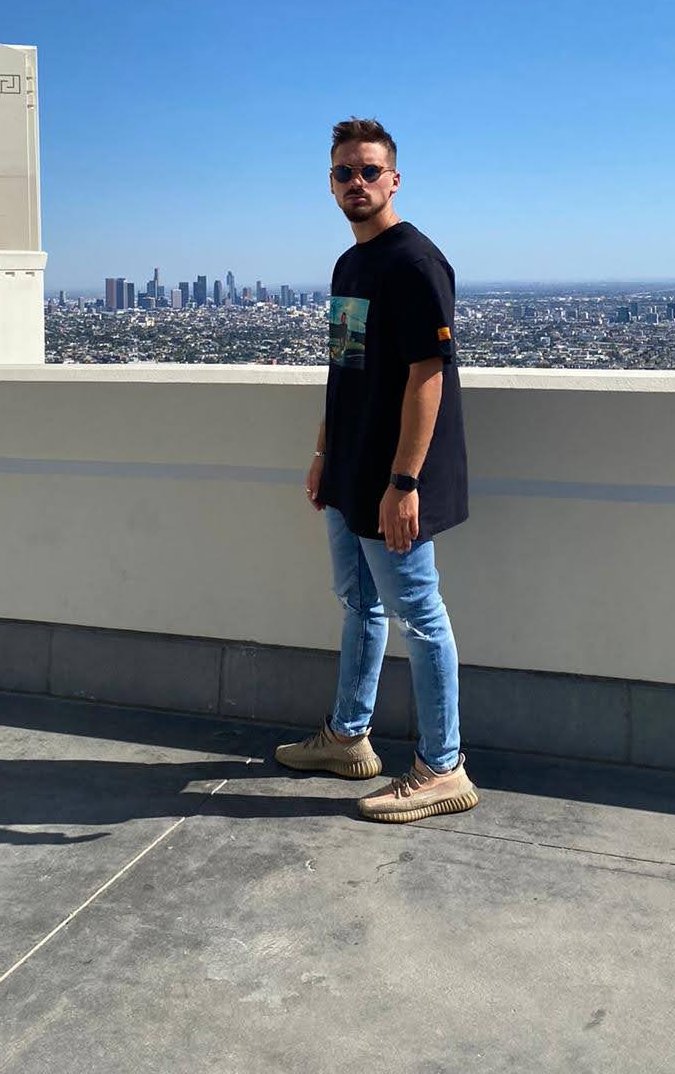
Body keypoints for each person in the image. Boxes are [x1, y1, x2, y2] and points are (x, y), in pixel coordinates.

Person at [274, 117, 477, 824]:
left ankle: (443, 767)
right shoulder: (349, 265)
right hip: (351, 470)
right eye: (343, 173)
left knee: (419, 615)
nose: (355, 183)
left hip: (393, 477)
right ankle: (348, 737)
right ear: (330, 184)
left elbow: (429, 376)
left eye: (368, 171)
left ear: (394, 180)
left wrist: (404, 482)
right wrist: (325, 454)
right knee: (359, 603)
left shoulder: (414, 262)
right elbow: (346, 366)